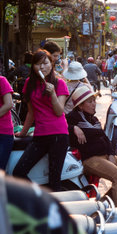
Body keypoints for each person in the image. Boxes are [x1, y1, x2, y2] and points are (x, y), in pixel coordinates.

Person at [66, 86, 117, 207]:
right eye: (90, 102)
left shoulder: (94, 119)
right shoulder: (72, 118)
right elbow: (59, 124)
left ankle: (104, 203)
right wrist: (73, 128)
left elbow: (105, 138)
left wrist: (111, 154)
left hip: (105, 156)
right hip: (90, 160)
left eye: (94, 101)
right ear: (80, 106)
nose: (93, 104)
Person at [13, 50, 69, 192]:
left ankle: (54, 211)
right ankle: (39, 198)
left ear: (52, 64)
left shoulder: (59, 84)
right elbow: (31, 112)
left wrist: (53, 95)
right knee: (18, 172)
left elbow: (59, 111)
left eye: (45, 63)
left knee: (54, 180)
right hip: (39, 135)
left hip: (59, 135)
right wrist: (23, 132)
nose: (42, 67)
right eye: (37, 64)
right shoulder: (29, 83)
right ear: (33, 67)